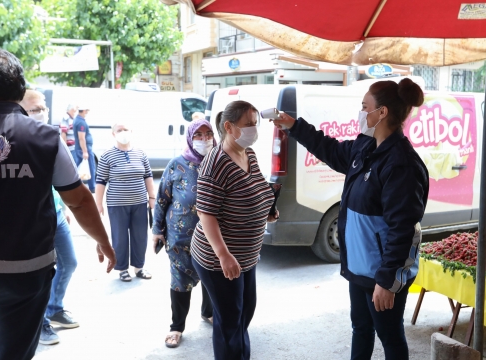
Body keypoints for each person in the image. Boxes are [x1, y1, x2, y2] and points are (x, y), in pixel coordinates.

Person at [0, 49, 116, 360]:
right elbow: (80, 200)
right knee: (16, 351)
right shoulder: (44, 137)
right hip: (26, 267)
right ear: (19, 89)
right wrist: (103, 241)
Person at [272, 79, 429, 360]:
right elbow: (330, 149)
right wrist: (293, 126)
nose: (360, 113)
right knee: (361, 329)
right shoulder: (365, 147)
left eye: (364, 107)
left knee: (390, 339)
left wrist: (387, 280)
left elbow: (403, 229)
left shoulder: (401, 164)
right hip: (359, 267)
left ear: (381, 112)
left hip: (382, 273)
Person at [191, 100, 278, 360]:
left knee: (243, 314)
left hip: (246, 256)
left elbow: (258, 188)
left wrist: (268, 210)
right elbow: (206, 214)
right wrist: (223, 254)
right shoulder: (215, 163)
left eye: (255, 123)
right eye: (248, 124)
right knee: (231, 322)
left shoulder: (247, 153)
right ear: (229, 127)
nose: (254, 129)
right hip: (219, 259)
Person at [20, 90, 80, 346]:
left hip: (55, 212)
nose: (40, 113)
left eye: (42, 108)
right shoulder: (15, 143)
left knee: (69, 262)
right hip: (32, 221)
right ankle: (40, 321)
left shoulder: (49, 139)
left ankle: (54, 307)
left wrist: (64, 206)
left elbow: (66, 184)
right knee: (40, 273)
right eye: (34, 109)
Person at [153, 119, 216, 348]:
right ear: (190, 138)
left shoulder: (220, 163)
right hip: (180, 237)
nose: (204, 139)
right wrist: (157, 231)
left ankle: (208, 313)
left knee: (212, 277)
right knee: (180, 281)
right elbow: (161, 200)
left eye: (208, 134)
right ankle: (176, 327)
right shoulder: (176, 164)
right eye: (198, 135)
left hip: (213, 238)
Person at [95, 122, 156, 282]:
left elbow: (148, 177)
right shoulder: (107, 155)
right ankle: (122, 268)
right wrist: (98, 203)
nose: (123, 132)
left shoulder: (140, 153)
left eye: (126, 129)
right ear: (113, 134)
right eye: (119, 130)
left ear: (131, 131)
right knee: (120, 238)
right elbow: (100, 180)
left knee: (140, 236)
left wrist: (152, 198)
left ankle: (139, 267)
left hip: (140, 203)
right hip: (117, 204)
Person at [73, 105, 96, 192]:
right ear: (83, 111)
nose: (87, 112)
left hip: (81, 148)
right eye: (86, 110)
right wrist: (85, 151)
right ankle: (92, 188)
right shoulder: (81, 122)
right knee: (91, 168)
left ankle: (73, 183)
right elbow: (81, 138)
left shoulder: (78, 120)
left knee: (77, 168)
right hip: (84, 148)